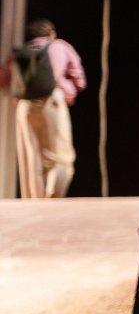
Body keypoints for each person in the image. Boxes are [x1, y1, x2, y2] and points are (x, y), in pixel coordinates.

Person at [0, 18, 87, 198]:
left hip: (25, 106)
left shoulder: (20, 53)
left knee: (31, 159)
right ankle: (52, 198)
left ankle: (34, 204)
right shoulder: (59, 46)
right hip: (51, 102)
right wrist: (68, 89)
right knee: (61, 157)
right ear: (52, 34)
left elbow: (3, 81)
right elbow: (80, 79)